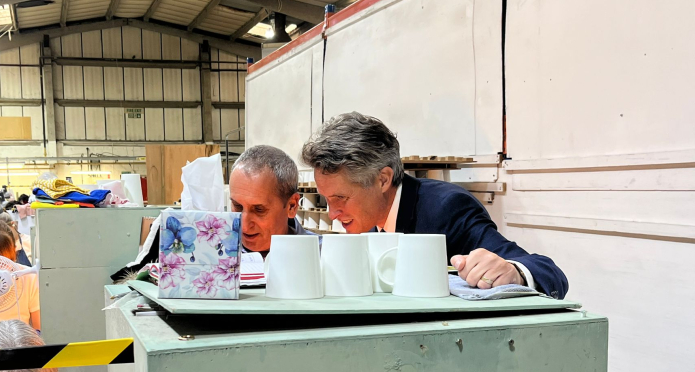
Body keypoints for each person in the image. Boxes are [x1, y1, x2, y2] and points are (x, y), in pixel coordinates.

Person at [301, 112, 569, 299]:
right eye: (326, 200)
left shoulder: (445, 208)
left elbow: (551, 274)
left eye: (340, 199)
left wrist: (514, 273)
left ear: (382, 179)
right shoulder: (370, 226)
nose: (332, 215)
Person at [229, 145, 317, 255]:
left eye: (259, 210)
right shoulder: (214, 253)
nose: (245, 226)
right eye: (237, 206)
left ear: (292, 206)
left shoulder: (323, 256)